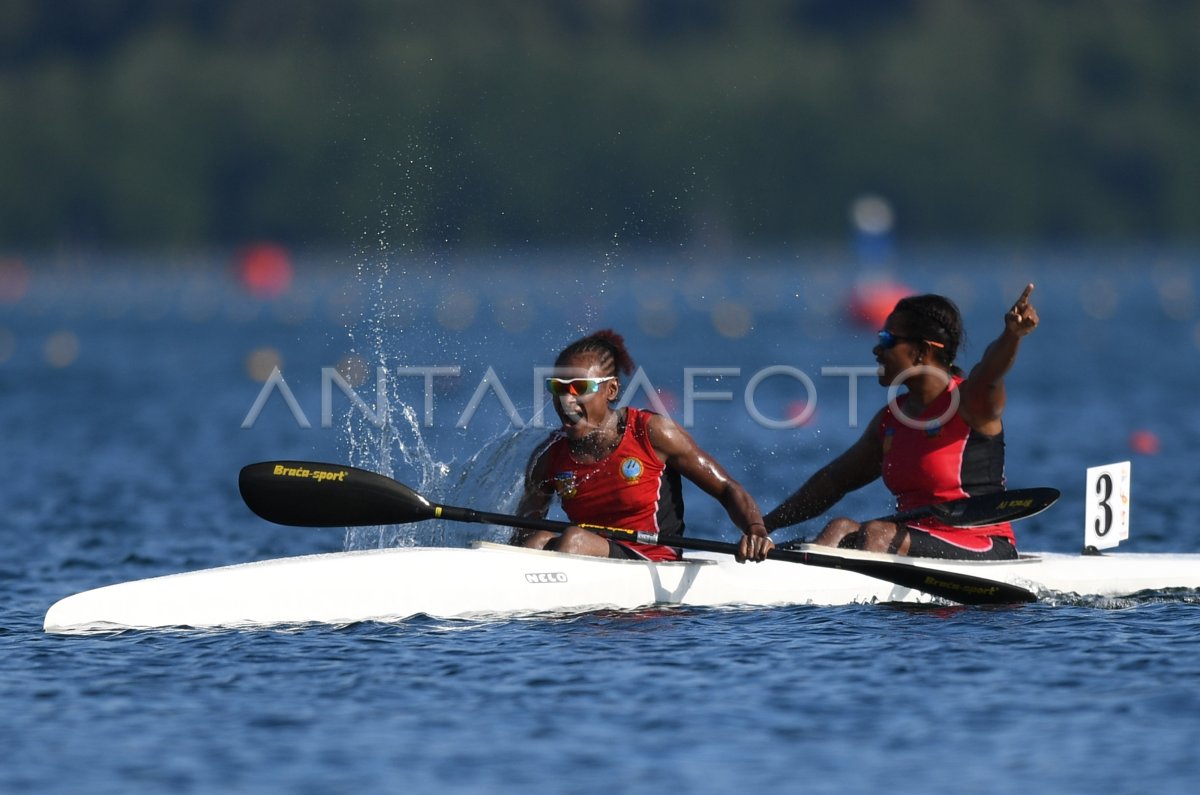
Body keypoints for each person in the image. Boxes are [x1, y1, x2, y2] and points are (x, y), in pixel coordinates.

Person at [763, 284, 1040, 559]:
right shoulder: (890, 420)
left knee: (877, 533)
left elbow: (990, 372)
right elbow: (833, 482)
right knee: (840, 528)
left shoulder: (970, 401)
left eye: (886, 340)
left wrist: (1011, 336)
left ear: (921, 352)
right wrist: (764, 525)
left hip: (981, 542)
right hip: (910, 539)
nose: (876, 350)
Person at [513, 329, 774, 563]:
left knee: (572, 539)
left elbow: (727, 488)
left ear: (611, 390)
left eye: (579, 387)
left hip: (651, 558)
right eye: (558, 387)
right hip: (587, 554)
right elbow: (522, 535)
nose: (566, 400)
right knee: (537, 541)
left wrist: (755, 531)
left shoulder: (652, 433)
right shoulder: (549, 456)